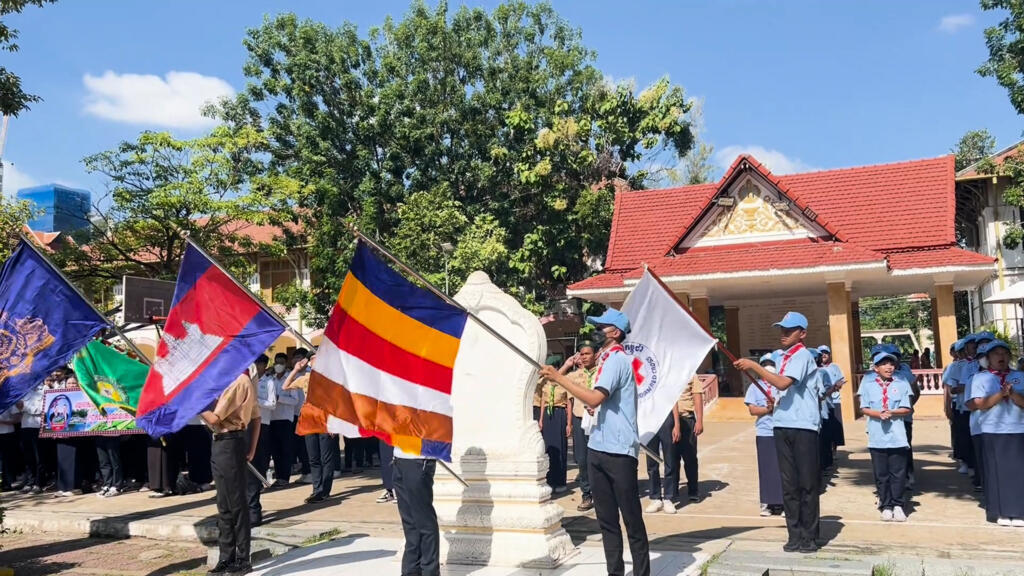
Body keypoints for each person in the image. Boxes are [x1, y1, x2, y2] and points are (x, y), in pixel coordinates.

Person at [541, 308, 650, 576]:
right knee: (607, 521)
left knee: (631, 519)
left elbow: (595, 397)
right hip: (598, 446)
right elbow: (599, 401)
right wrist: (595, 406)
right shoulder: (605, 361)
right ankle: (615, 572)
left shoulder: (616, 360)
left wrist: (559, 377)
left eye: (602, 327)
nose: (597, 331)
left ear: (615, 332)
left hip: (618, 450)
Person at [734, 311, 820, 554]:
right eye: (782, 329)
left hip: (803, 425)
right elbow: (777, 387)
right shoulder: (780, 357)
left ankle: (809, 536)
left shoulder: (802, 355)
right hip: (781, 423)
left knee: (807, 484)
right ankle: (794, 535)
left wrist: (754, 366)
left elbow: (783, 383)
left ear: (802, 333)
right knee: (789, 484)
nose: (784, 333)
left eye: (789, 330)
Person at [201, 370, 261, 576]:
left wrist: (195, 402)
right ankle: (226, 557)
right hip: (221, 443)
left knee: (236, 504)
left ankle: (243, 559)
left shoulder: (239, 381)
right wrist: (251, 449)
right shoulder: (228, 380)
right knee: (224, 505)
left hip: (230, 442)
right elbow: (257, 417)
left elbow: (214, 418)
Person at [967, 340, 1024, 526]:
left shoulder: (1020, 376)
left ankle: (1019, 511)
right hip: (992, 429)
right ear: (988, 358)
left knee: (1018, 471)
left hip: (1018, 428)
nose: (1001, 357)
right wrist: (1001, 394)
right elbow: (979, 404)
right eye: (996, 354)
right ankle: (1000, 512)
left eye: (1005, 353)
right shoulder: (980, 378)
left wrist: (1013, 394)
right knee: (995, 471)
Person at [858, 350, 913, 522]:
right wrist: (877, 414)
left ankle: (898, 504)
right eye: (884, 364)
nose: (889, 367)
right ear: (876, 368)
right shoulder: (868, 385)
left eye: (891, 364)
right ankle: (886, 505)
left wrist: (892, 412)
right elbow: (864, 408)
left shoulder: (902, 383)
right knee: (881, 474)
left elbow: (907, 408)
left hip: (897, 435)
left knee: (898, 472)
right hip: (877, 435)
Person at [283, 354, 334, 503]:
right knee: (313, 457)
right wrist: (295, 370)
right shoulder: (305, 378)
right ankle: (317, 489)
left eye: (317, 357)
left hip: (325, 418)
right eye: (312, 358)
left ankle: (325, 490)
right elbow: (285, 386)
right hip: (309, 418)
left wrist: (334, 423)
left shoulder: (329, 378)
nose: (314, 361)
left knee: (326, 458)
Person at [745, 353, 783, 517]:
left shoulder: (781, 385)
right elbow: (752, 410)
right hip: (764, 432)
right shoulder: (755, 387)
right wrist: (767, 409)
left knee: (783, 469)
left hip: (782, 430)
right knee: (766, 468)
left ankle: (783, 503)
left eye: (771, 365)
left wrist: (777, 406)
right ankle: (767, 503)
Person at [393, 446, 439, 576]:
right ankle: (411, 569)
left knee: (424, 522)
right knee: (409, 522)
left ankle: (430, 571)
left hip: (419, 460)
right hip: (399, 458)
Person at [565, 342, 598, 512]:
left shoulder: (602, 372)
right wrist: (567, 365)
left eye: (587, 353)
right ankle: (587, 494)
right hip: (580, 419)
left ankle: (602, 494)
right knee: (582, 459)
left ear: (595, 355)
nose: (584, 357)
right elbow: (552, 382)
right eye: (581, 354)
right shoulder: (574, 376)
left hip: (598, 420)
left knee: (598, 458)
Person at [967, 332, 996, 493]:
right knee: (983, 461)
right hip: (980, 426)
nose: (985, 359)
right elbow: (971, 404)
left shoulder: (1012, 375)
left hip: (1006, 428)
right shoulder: (974, 377)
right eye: (981, 356)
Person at [643, 389, 680, 515]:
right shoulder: (645, 381)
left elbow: (673, 399)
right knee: (651, 462)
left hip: (666, 420)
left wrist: (676, 424)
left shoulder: (665, 380)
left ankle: (669, 498)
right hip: (649, 422)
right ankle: (655, 498)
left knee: (670, 461)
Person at [538, 354, 570, 493]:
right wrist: (541, 419)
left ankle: (560, 481)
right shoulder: (545, 383)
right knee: (549, 448)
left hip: (559, 413)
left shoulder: (565, 382)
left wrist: (569, 423)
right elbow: (543, 401)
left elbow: (569, 402)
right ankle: (550, 480)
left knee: (560, 446)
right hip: (548, 415)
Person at [247, 354, 273, 526]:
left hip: (255, 424)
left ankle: (253, 511)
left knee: (254, 469)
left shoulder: (253, 374)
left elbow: (269, 404)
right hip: (240, 426)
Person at [268, 353, 299, 487]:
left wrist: (279, 398)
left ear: (286, 364)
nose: (278, 365)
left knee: (285, 449)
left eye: (281, 362)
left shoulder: (290, 379)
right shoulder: (271, 379)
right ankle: (279, 476)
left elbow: (295, 400)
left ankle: (285, 477)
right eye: (276, 362)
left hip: (285, 419)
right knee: (275, 450)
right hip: (272, 418)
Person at [17, 378, 49, 494]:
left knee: (39, 456)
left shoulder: (45, 389)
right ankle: (30, 482)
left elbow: (43, 409)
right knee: (28, 456)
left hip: (38, 426)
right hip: (25, 426)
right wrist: (22, 408)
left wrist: (25, 408)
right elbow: (17, 408)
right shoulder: (25, 391)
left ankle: (39, 483)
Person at [676, 373, 704, 503]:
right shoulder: (665, 371)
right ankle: (673, 491)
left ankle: (693, 490)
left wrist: (699, 421)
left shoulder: (690, 373)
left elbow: (697, 397)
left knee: (690, 457)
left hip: (687, 418)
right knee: (672, 459)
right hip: (669, 421)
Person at [817, 346, 846, 464]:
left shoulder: (834, 367)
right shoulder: (816, 369)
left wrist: (837, 386)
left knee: (835, 428)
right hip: (822, 403)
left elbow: (841, 380)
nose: (824, 355)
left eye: (826, 353)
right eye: (821, 353)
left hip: (834, 401)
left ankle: (834, 450)